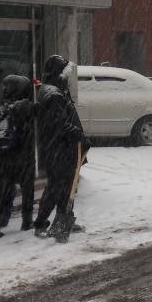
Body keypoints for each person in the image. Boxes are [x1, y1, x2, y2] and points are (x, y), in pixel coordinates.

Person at [34, 55, 88, 242]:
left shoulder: (52, 91)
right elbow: (59, 124)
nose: (67, 77)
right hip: (59, 149)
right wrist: (78, 134)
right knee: (56, 188)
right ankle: (41, 223)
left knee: (67, 188)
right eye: (65, 73)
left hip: (62, 148)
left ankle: (63, 220)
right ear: (58, 74)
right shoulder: (53, 95)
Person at [0, 75, 36, 239]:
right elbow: (38, 112)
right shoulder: (25, 106)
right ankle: (27, 221)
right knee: (27, 189)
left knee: (0, 192)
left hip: (0, 156)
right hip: (21, 157)